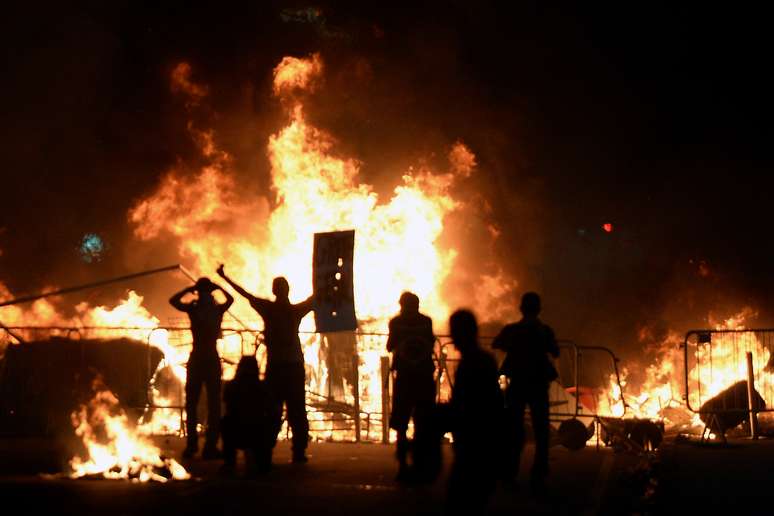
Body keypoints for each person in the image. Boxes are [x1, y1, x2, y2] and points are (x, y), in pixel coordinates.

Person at [217, 264, 314, 463]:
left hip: (277, 366)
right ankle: (298, 451)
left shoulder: (269, 309)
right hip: (293, 366)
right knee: (296, 410)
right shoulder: (295, 311)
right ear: (288, 290)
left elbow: (245, 294)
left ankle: (265, 449)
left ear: (274, 291)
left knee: (271, 410)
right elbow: (317, 298)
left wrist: (225, 277)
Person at [492, 292, 559, 493]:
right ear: (539, 310)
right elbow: (555, 351)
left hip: (518, 384)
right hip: (538, 385)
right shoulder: (544, 331)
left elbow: (497, 343)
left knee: (513, 430)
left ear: (521, 309)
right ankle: (538, 475)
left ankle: (509, 473)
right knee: (541, 432)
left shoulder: (513, 330)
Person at [170, 277, 234, 459]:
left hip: (198, 357)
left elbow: (173, 301)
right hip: (209, 358)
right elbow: (231, 300)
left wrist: (190, 289)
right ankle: (209, 446)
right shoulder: (216, 309)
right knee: (213, 404)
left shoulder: (194, 308)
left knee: (193, 403)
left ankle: (193, 446)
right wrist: (218, 288)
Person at [445, 309, 503, 514]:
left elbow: (468, 403)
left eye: (455, 332)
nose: (452, 338)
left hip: (476, 441)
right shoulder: (481, 359)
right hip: (478, 441)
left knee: (463, 497)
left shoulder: (474, 363)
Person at [386, 291, 436, 482]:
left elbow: (390, 346)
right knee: (423, 422)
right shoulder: (426, 321)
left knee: (401, 423)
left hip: (405, 377)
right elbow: (430, 343)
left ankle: (403, 466)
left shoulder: (396, 323)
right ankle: (420, 464)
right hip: (424, 376)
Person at [220, 355, 271, 476]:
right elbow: (269, 408)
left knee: (226, 422)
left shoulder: (231, 386)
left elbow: (227, 406)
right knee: (266, 423)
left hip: (235, 431)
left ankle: (229, 462)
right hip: (257, 431)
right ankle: (262, 462)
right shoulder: (262, 387)